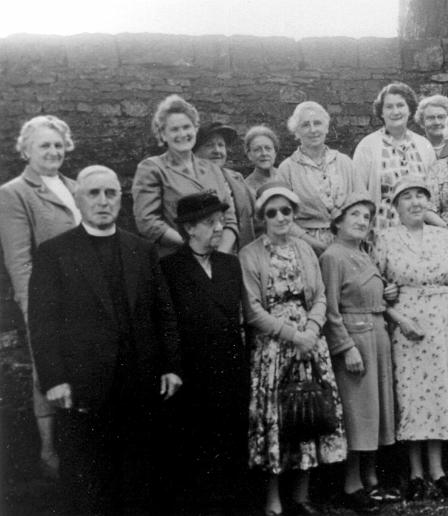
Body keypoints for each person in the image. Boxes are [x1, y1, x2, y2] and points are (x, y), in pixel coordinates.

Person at [28, 165, 182, 515]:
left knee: (138, 477)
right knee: (89, 482)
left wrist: (171, 366)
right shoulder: (55, 253)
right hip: (84, 386)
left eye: (110, 193)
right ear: (79, 200)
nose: (103, 201)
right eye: (93, 193)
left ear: (120, 200)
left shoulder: (141, 250)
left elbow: (163, 312)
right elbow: (43, 323)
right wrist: (55, 379)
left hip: (138, 384)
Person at [240, 179, 346, 516]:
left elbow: (320, 297)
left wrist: (312, 330)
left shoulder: (304, 250)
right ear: (263, 217)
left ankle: (302, 497)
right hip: (275, 347)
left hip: (309, 344)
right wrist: (292, 334)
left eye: (286, 210)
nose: (281, 217)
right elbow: (252, 309)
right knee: (278, 420)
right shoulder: (250, 254)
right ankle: (273, 501)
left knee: (309, 416)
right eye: (273, 212)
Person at [373, 176, 448, 500]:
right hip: (406, 325)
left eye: (419, 196)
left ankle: (438, 470)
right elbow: (375, 291)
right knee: (411, 395)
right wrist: (393, 308)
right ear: (396, 205)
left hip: (441, 320)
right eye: (406, 197)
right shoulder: (385, 238)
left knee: (439, 393)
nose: (414, 202)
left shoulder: (443, 237)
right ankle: (415, 472)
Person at [0, 115, 81, 480]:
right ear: (26, 150)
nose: (52, 151)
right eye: (43, 145)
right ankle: (49, 453)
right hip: (49, 301)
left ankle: (82, 446)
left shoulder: (77, 187)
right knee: (46, 371)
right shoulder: (14, 193)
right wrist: (36, 313)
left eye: (57, 144)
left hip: (85, 298)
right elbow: (20, 262)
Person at [159, 192, 249, 512]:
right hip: (194, 375)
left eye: (221, 221)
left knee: (232, 444)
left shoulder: (230, 264)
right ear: (189, 229)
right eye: (210, 222)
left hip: (231, 369)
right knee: (198, 448)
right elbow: (165, 323)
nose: (218, 228)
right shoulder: (168, 269)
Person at [319, 193, 398, 513]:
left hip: (377, 336)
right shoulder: (333, 256)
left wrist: (387, 291)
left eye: (366, 217)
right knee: (358, 413)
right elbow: (330, 310)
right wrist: (346, 347)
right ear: (338, 221)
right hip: (356, 339)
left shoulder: (365, 253)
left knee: (376, 410)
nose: (362, 221)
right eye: (354, 215)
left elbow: (371, 292)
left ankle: (370, 478)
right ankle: (351, 484)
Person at [133, 94, 238, 256]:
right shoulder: (152, 168)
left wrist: (220, 256)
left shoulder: (213, 169)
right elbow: (148, 222)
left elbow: (230, 219)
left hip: (219, 259)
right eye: (174, 129)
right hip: (179, 259)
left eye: (186, 127)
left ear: (195, 129)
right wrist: (196, 249)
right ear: (162, 135)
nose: (182, 134)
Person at [277, 101, 364, 255]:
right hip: (305, 246)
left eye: (317, 123)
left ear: (326, 128)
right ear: (296, 133)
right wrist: (312, 243)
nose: (313, 130)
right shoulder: (287, 169)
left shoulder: (345, 162)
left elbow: (362, 203)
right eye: (305, 125)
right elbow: (282, 216)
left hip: (348, 243)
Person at [353, 82, 437, 232]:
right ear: (381, 112)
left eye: (400, 105)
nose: (395, 111)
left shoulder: (424, 146)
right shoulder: (367, 146)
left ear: (410, 109)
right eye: (389, 107)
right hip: (381, 231)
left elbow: (433, 193)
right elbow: (359, 195)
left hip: (420, 231)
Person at [194, 122, 258, 248]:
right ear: (195, 152)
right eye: (209, 145)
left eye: (221, 145)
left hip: (241, 258)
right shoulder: (188, 182)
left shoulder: (237, 179)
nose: (217, 151)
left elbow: (257, 220)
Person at [244, 125, 281, 194]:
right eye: (257, 150)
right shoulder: (246, 188)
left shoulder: (287, 177)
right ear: (249, 155)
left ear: (275, 152)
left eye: (268, 148)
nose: (264, 153)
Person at [415, 94, 448, 158]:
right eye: (431, 118)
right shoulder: (414, 148)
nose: (437, 122)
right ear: (422, 122)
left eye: (441, 117)